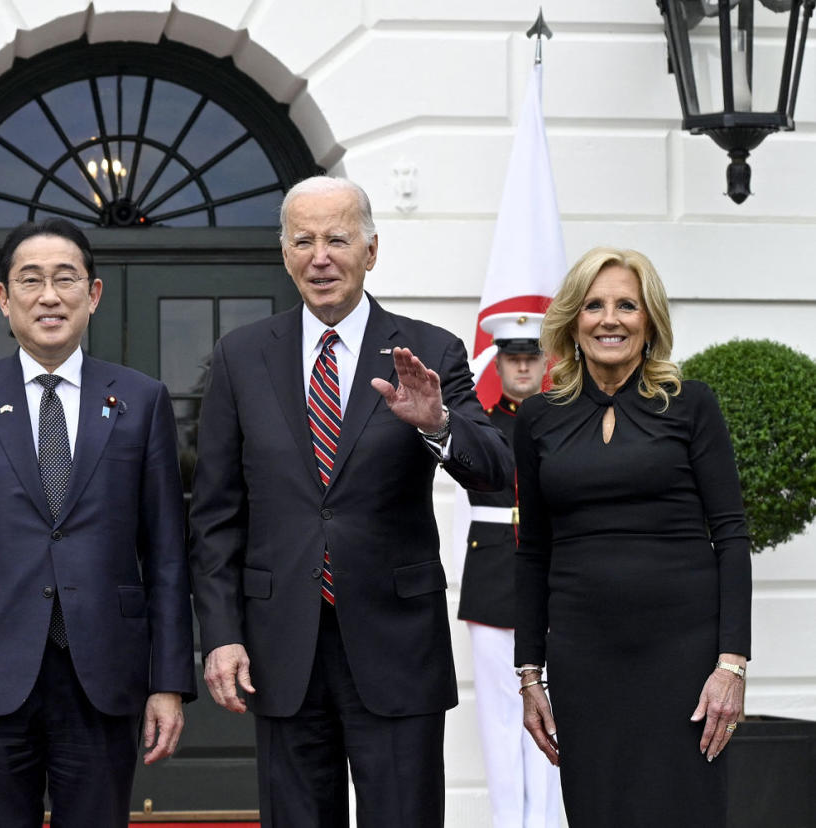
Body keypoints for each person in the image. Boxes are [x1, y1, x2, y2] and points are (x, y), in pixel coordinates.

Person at [188, 175, 513, 827]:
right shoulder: (241, 357)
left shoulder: (428, 350)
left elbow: (497, 469)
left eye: (337, 239)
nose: (320, 256)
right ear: (284, 255)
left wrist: (438, 423)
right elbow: (215, 514)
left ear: (371, 250)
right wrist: (220, 635)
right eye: (302, 240)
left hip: (395, 643)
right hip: (282, 646)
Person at [0, 218, 196, 828]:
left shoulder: (140, 399)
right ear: (2, 298)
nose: (49, 296)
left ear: (92, 295)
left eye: (65, 279)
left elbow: (168, 554)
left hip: (104, 673)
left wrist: (169, 680)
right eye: (30, 280)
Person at [514, 247, 750, 828]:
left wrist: (732, 665)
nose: (609, 319)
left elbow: (732, 535)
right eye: (594, 305)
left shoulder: (692, 405)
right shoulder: (537, 417)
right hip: (584, 659)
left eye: (627, 304)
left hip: (684, 661)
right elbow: (532, 550)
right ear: (573, 321)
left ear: (650, 322)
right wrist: (529, 675)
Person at [456, 312, 561, 828]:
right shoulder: (481, 422)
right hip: (494, 570)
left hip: (552, 576)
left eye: (530, 357)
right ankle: (507, 819)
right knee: (499, 715)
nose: (522, 366)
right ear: (498, 362)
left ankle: (545, 819)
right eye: (512, 358)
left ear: (545, 362)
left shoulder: (558, 418)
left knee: (552, 708)